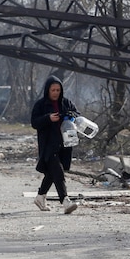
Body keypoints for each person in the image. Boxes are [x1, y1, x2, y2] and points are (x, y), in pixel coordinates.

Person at [31, 75, 78, 214]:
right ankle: (65, 201)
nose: (56, 93)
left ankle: (40, 197)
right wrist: (48, 118)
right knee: (58, 173)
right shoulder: (40, 105)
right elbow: (34, 122)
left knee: (52, 173)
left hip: (65, 144)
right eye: (53, 90)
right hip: (48, 145)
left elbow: (77, 114)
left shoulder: (66, 103)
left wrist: (71, 115)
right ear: (48, 90)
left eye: (58, 90)